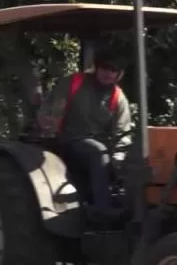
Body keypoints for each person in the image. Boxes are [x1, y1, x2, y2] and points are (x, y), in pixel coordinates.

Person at [36, 47, 134, 222]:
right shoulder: (73, 83)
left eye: (113, 70)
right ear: (96, 67)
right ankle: (102, 210)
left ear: (119, 74)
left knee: (132, 159)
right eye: (105, 68)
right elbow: (51, 112)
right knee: (99, 152)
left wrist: (119, 157)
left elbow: (123, 132)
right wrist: (49, 128)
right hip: (68, 140)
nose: (108, 74)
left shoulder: (118, 98)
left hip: (100, 146)